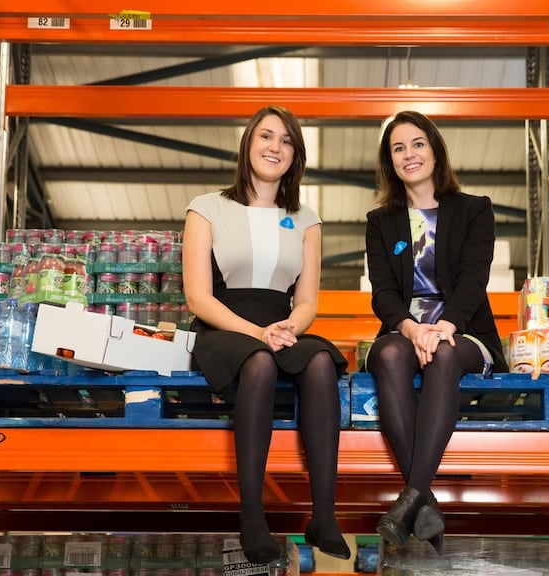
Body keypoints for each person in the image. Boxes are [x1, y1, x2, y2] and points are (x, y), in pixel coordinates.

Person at [183, 105, 351, 564]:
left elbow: (308, 302)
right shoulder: (207, 208)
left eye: (286, 141)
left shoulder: (306, 219)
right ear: (248, 144)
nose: (275, 147)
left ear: (295, 155)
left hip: (282, 325)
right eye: (266, 137)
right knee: (256, 361)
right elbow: (198, 298)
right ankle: (253, 517)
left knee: (320, 360)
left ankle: (323, 514)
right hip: (225, 325)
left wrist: (286, 330)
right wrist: (258, 333)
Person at [364, 110, 510, 554]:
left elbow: (473, 278)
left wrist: (445, 326)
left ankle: (410, 496)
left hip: (462, 328)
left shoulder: (473, 210)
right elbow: (383, 295)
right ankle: (423, 501)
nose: (409, 154)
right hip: (406, 329)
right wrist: (411, 330)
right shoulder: (380, 221)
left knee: (446, 355)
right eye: (398, 148)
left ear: (435, 149)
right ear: (391, 162)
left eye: (417, 144)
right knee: (387, 355)